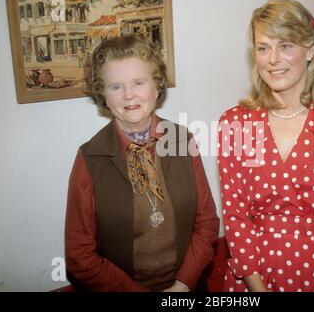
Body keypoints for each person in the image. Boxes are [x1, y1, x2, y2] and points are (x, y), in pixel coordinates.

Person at [217, 0, 314, 292]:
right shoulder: (237, 122)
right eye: (263, 47)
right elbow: (235, 215)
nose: (273, 58)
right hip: (254, 276)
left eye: (285, 45)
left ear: (310, 50)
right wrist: (257, 288)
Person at [65, 34, 219, 292]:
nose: (128, 95)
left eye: (138, 82)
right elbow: (79, 257)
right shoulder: (89, 158)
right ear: (103, 93)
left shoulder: (183, 140)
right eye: (115, 86)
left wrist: (182, 285)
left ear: (157, 87)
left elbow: (207, 223)